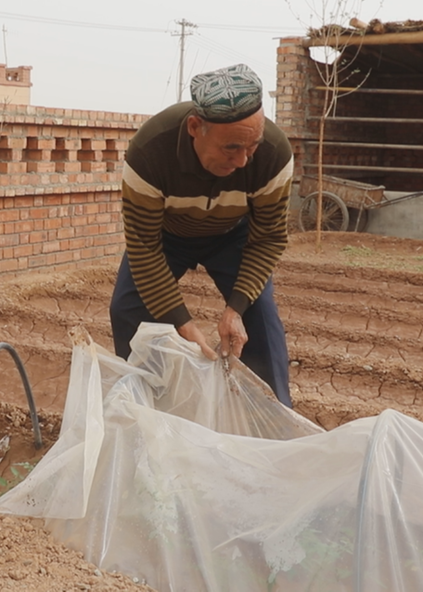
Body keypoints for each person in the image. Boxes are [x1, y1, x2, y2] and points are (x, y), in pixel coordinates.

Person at [109, 64, 295, 407]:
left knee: (261, 319)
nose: (243, 161)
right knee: (127, 310)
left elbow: (269, 237)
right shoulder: (150, 152)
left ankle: (274, 418)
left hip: (233, 235)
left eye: (251, 146)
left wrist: (235, 308)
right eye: (231, 148)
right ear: (196, 128)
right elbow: (144, 246)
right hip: (166, 237)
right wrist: (183, 324)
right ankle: (143, 415)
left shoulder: (273, 154)